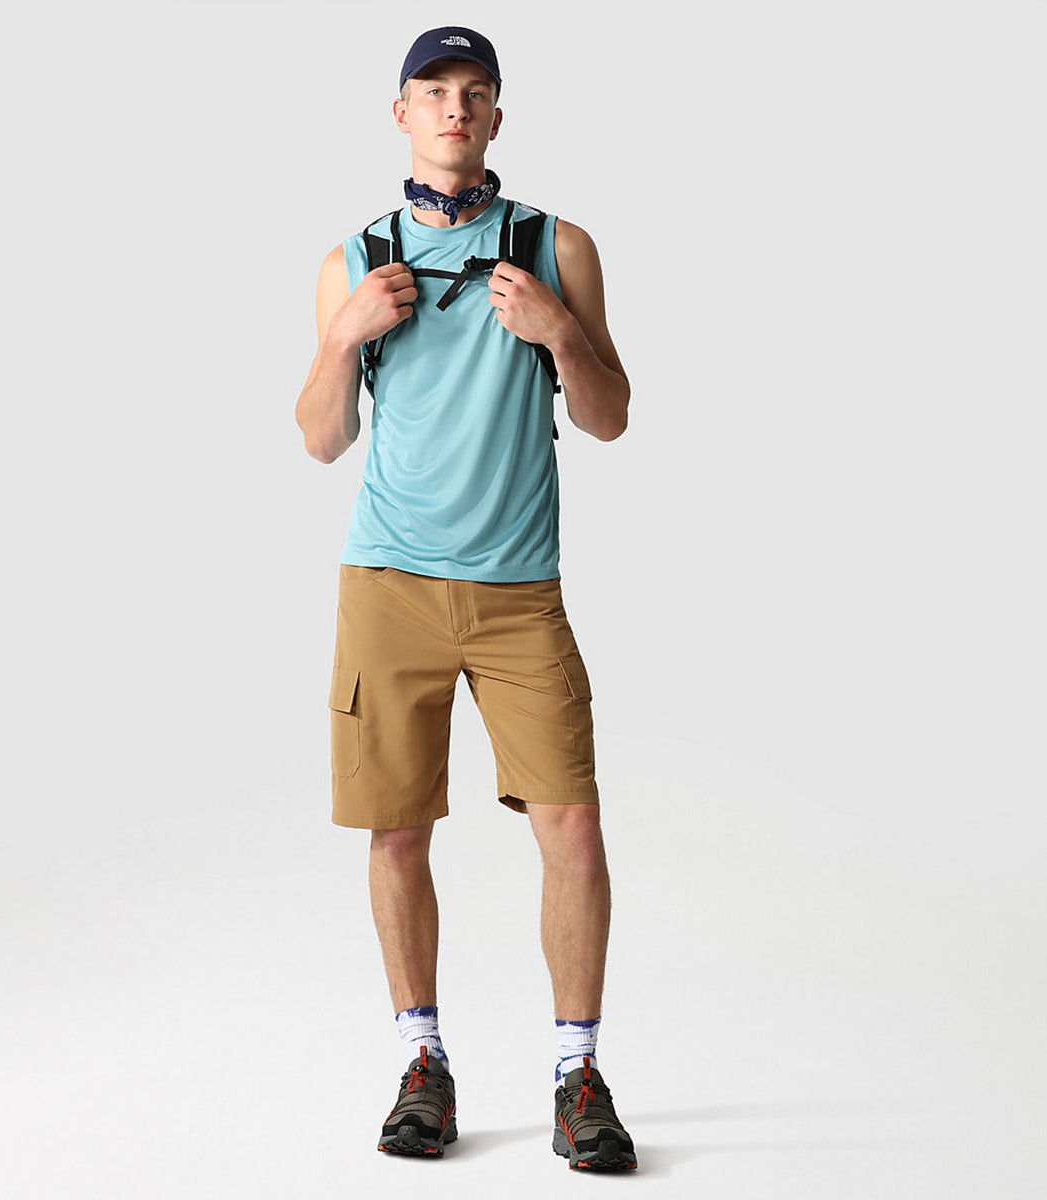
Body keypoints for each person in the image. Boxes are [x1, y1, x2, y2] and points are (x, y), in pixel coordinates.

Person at [294, 26, 636, 1172]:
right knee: (397, 829)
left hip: (518, 589)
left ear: (496, 116)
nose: (454, 109)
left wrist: (559, 331)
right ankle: (422, 1063)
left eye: (474, 92)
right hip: (387, 582)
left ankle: (578, 1074)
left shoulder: (556, 246)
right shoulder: (355, 257)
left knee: (571, 823)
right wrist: (344, 336)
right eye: (433, 91)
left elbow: (607, 418)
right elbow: (321, 439)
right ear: (401, 112)